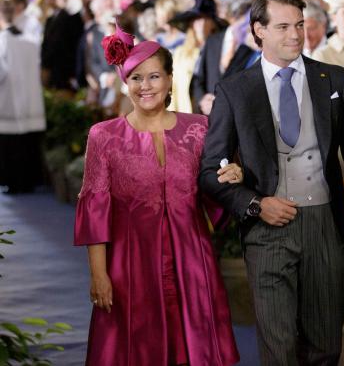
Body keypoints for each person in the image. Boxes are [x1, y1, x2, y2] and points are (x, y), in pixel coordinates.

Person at [199, 0, 344, 365]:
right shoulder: (235, 89)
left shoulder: (333, 80)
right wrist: (255, 204)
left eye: (300, 25)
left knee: (325, 347)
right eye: (284, 26)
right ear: (259, 30)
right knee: (279, 348)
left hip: (324, 226)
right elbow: (210, 171)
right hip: (267, 232)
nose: (295, 35)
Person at [74, 24, 240, 366]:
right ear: (125, 82)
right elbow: (95, 207)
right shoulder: (103, 136)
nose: (144, 86)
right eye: (135, 78)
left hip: (192, 261)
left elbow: (215, 190)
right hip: (129, 264)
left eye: (153, 77)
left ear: (169, 81)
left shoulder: (199, 128)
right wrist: (98, 274)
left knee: (193, 349)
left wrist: (233, 175)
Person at [0, 0, 46, 194]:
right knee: (28, 144)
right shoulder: (30, 39)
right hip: (31, 99)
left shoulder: (3, 40)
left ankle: (14, 183)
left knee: (11, 146)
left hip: (9, 99)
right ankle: (28, 182)